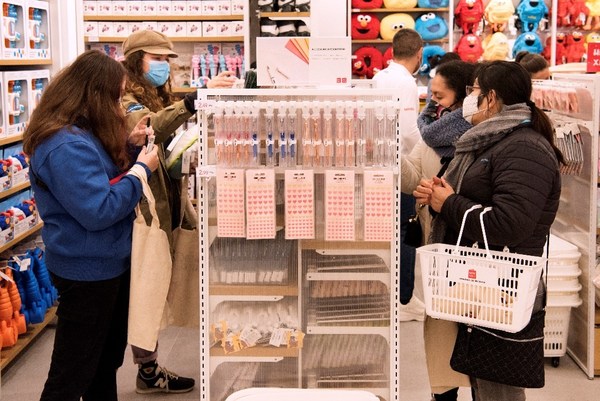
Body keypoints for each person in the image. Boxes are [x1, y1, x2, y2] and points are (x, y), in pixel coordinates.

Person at [414, 61, 564, 401]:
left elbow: (508, 224)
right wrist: (441, 193)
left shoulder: (524, 147)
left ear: (491, 97)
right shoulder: (489, 141)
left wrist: (448, 203)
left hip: (502, 288)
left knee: (497, 388)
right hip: (476, 282)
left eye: (474, 91)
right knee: (476, 378)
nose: (469, 99)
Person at [23, 50, 159, 401]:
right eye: (116, 96)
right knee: (71, 373)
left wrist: (130, 151)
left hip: (105, 264)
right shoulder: (63, 144)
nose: (119, 106)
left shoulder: (80, 133)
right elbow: (98, 209)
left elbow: (102, 179)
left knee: (102, 363)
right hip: (87, 273)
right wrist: (142, 171)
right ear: (96, 95)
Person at [121, 29, 236, 394]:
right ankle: (146, 370)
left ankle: (149, 368)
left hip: (165, 201)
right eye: (156, 58)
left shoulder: (156, 94)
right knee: (145, 290)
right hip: (142, 207)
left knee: (157, 288)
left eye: (167, 59)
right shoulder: (124, 99)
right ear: (135, 59)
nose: (163, 66)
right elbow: (149, 127)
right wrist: (194, 101)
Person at [401, 60, 476, 401]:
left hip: (475, 250)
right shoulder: (430, 131)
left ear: (465, 97)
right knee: (441, 339)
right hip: (438, 252)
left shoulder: (481, 137)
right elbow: (413, 173)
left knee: (478, 340)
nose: (431, 101)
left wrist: (446, 198)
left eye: (439, 94)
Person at [372, 28, 424, 320]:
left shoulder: (379, 77)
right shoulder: (405, 84)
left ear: (391, 51)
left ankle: (393, 295)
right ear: (419, 54)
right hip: (400, 166)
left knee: (390, 232)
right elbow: (407, 130)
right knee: (406, 231)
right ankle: (404, 299)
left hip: (380, 165)